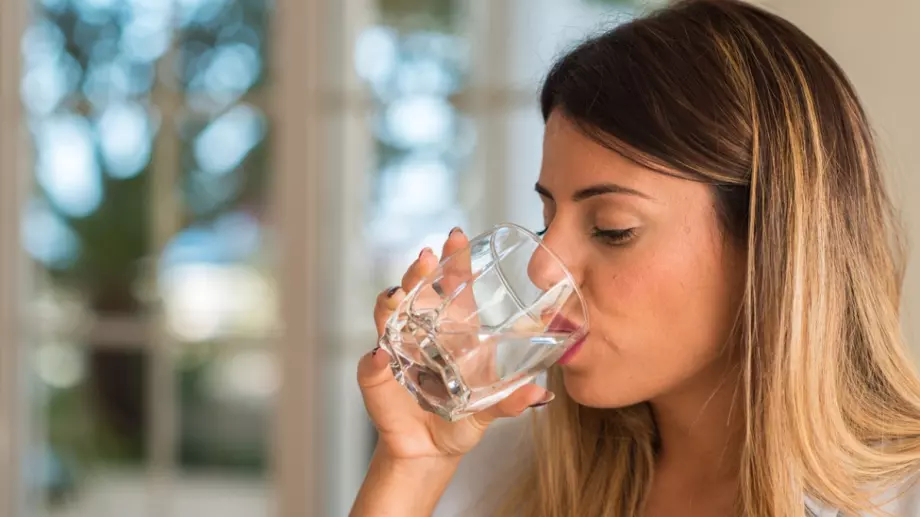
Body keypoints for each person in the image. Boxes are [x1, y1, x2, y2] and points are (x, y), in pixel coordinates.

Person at [351, 0, 920, 515]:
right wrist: (412, 468)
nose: (541, 267)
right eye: (548, 219)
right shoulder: (512, 477)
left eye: (612, 228)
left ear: (770, 241)